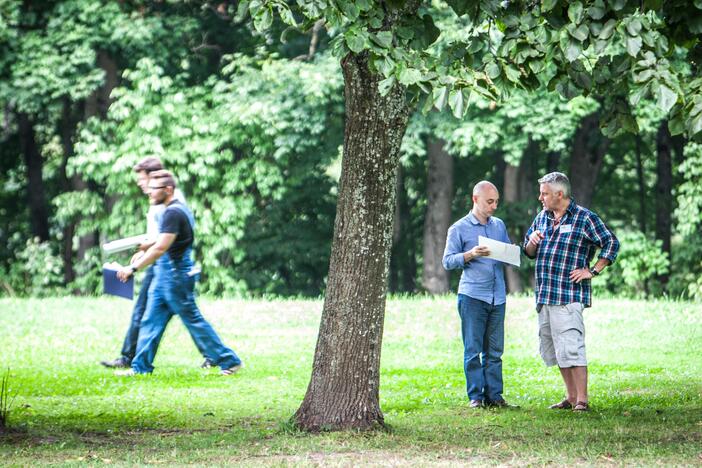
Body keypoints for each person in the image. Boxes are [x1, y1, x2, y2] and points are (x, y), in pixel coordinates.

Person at [115, 170, 242, 376]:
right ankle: (140, 368)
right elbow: (160, 241)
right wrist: (144, 249)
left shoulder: (173, 212)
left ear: (168, 189)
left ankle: (229, 360)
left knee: (193, 320)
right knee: (150, 320)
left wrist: (133, 268)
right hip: (165, 276)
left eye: (154, 189)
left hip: (176, 276)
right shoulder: (171, 211)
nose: (149, 192)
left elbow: (161, 248)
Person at [100, 158, 213, 370]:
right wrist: (142, 250)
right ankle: (135, 360)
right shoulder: (159, 199)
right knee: (162, 314)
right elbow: (158, 236)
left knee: (177, 313)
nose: (140, 184)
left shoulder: (169, 203)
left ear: (155, 177)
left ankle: (131, 359)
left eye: (142, 179)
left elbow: (164, 240)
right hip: (161, 262)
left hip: (167, 265)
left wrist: (139, 262)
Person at [523, 172, 619, 412]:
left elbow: (611, 243)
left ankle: (582, 400)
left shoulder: (584, 218)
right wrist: (532, 241)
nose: (540, 197)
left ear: (559, 194)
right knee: (557, 349)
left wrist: (593, 271)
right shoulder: (542, 217)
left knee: (572, 347)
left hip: (568, 296)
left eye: (544, 193)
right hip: (545, 295)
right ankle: (570, 396)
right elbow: (528, 251)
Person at [442, 181, 513, 408]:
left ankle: (495, 396)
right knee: (473, 350)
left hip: (497, 296)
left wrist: (510, 254)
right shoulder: (459, 228)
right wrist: (470, 254)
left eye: (496, 202)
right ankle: (476, 397)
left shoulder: (499, 225)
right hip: (472, 296)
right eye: (489, 202)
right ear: (475, 199)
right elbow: (447, 261)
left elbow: (508, 252)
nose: (494, 206)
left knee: (495, 351)